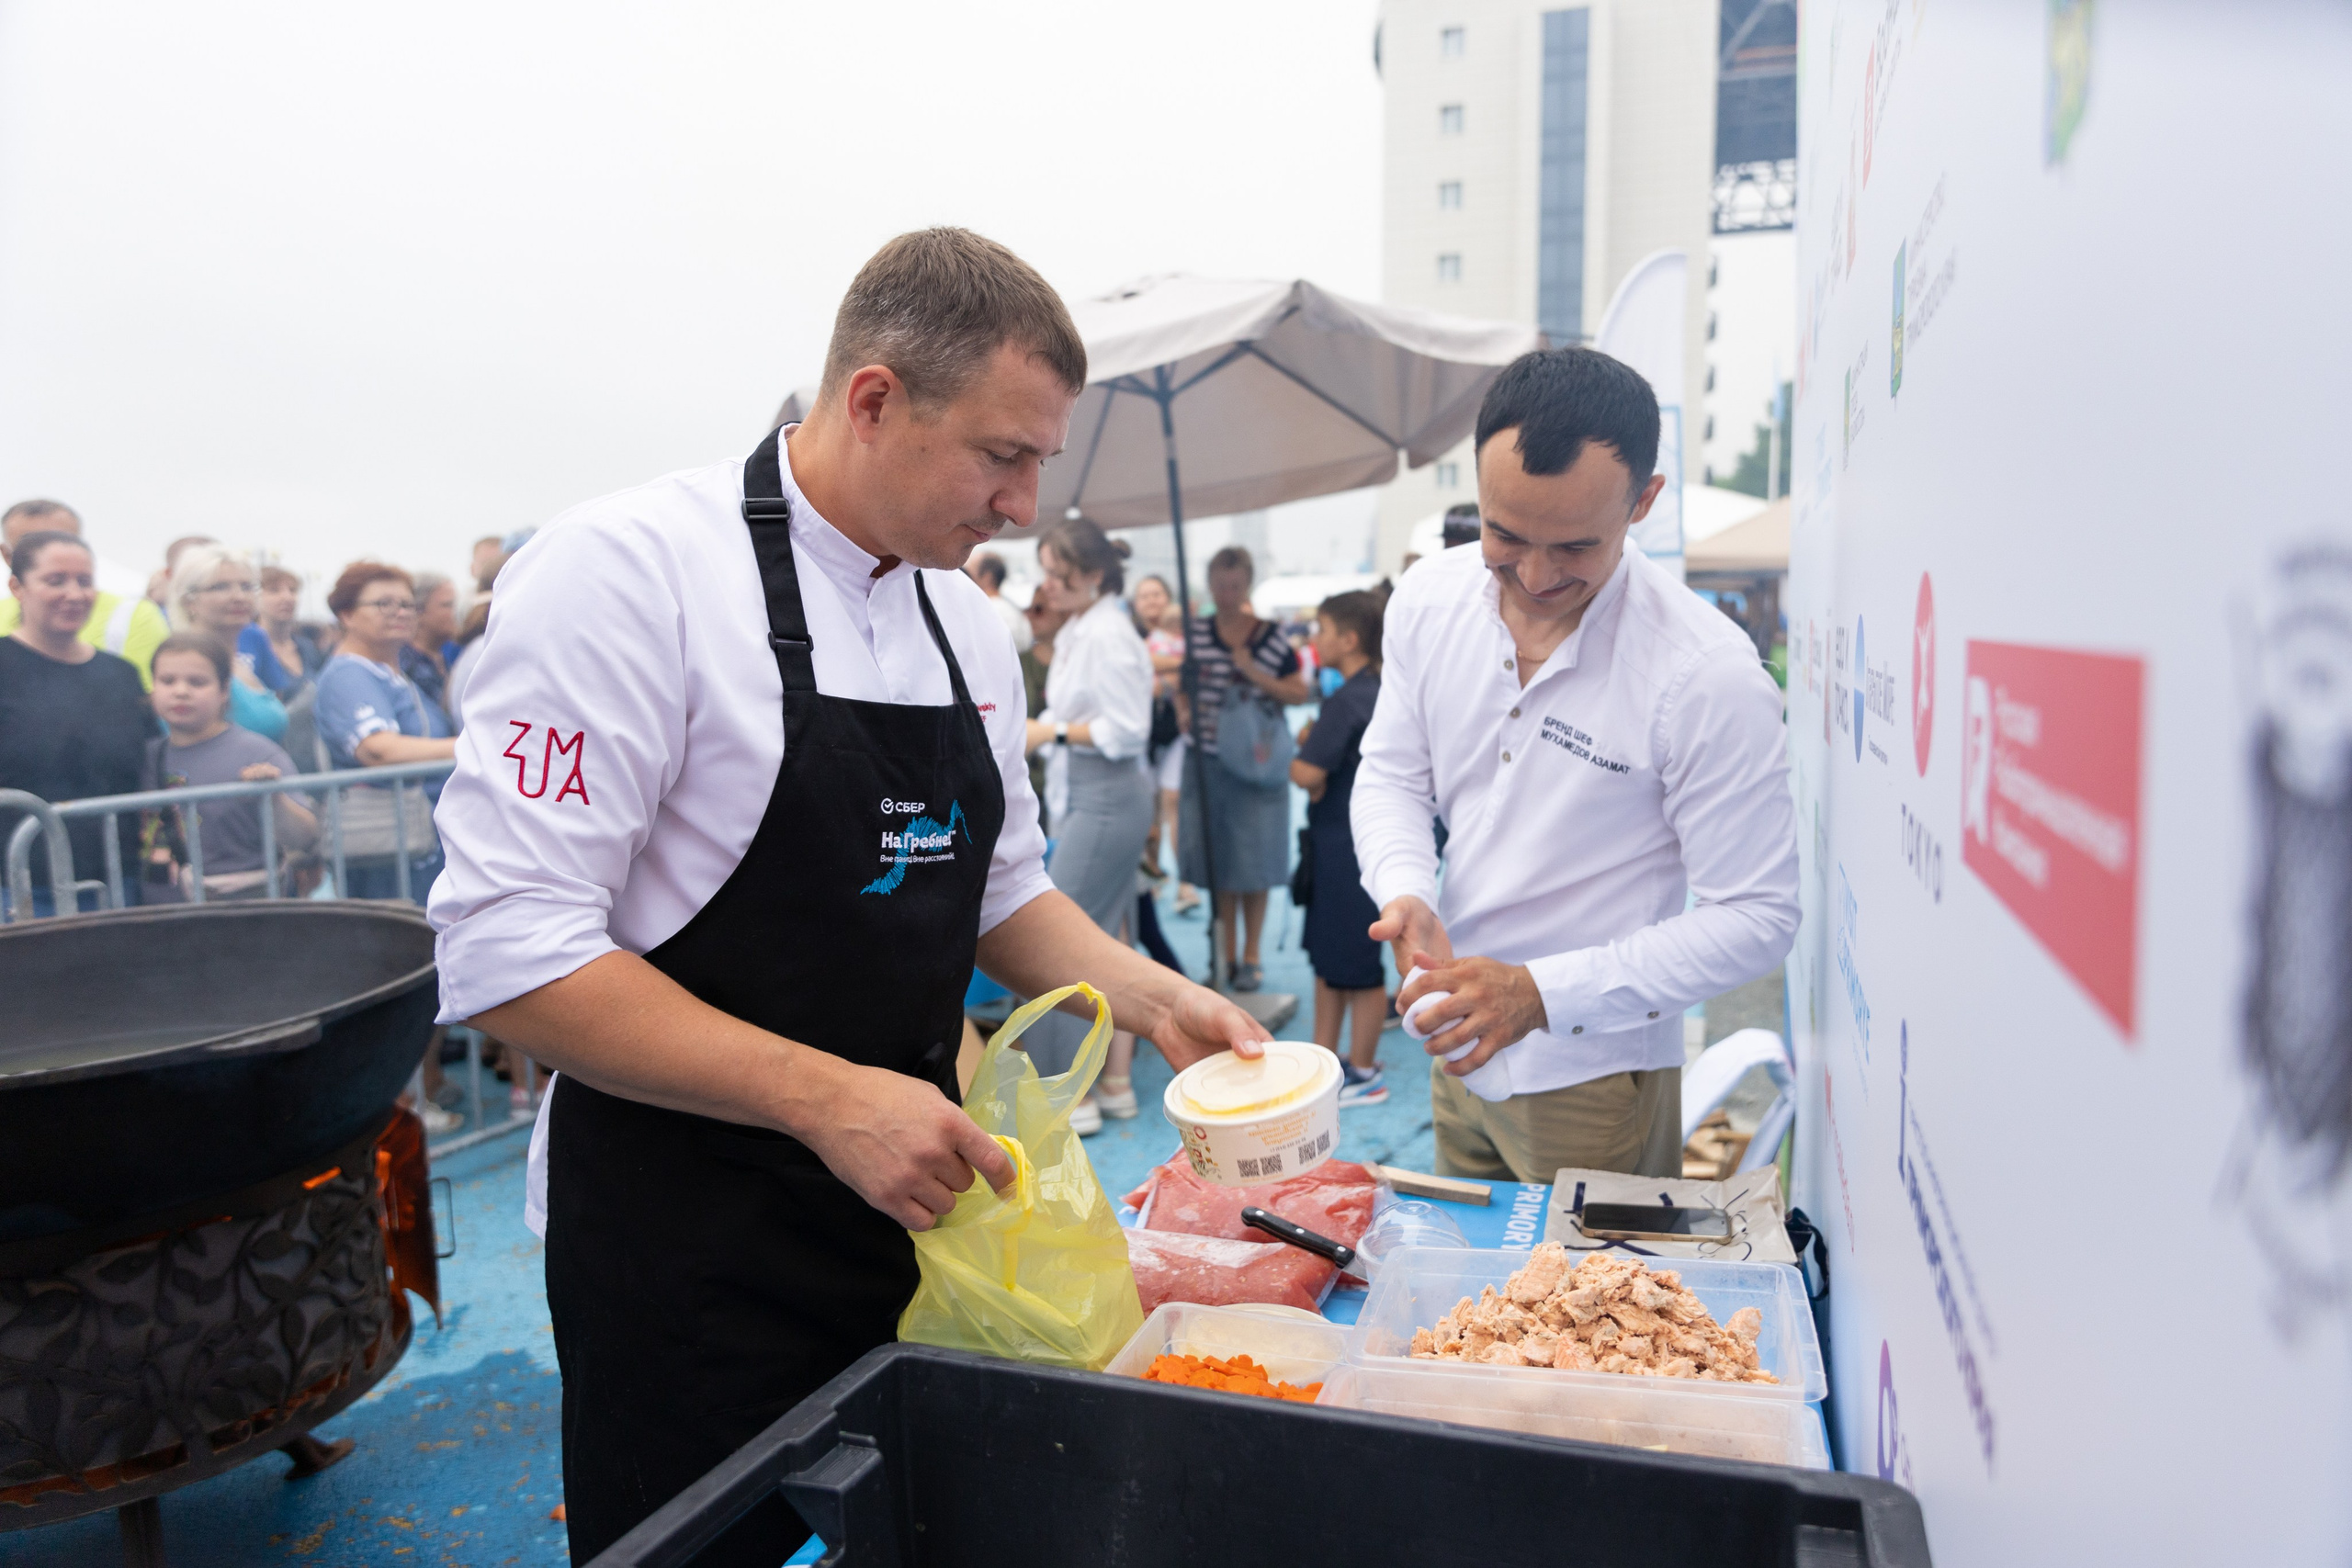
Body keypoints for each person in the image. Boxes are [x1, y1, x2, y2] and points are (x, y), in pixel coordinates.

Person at [424, 228, 1271, 1568]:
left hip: (916, 1213)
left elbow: (1003, 886)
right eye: (1004, 455)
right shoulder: (630, 573)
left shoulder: (968, 624)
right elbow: (507, 950)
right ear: (873, 399)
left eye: (1042, 461)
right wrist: (829, 1097)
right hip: (688, 1242)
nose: (1024, 508)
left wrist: (1150, 987)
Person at [1352, 346, 1800, 1181]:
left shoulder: (1705, 675)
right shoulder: (1427, 598)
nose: (1534, 574)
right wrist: (1404, 886)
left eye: (1574, 547)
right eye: (1504, 534)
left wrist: (1542, 992)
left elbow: (1758, 915)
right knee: (1474, 1300)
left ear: (1644, 503)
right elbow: (1390, 773)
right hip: (1454, 1042)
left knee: (1595, 1307)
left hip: (1596, 1076)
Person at [1021, 516, 1156, 1133]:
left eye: (1056, 572)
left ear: (1092, 575)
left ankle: (1075, 1094)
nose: (1046, 583)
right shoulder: (1085, 626)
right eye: (1045, 570)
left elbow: (1128, 731)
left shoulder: (1106, 633)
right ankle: (1111, 1083)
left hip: (1106, 797)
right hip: (1092, 796)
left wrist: (1048, 730)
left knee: (1056, 948)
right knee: (1101, 939)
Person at [1179, 545, 1311, 989]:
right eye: (1220, 584)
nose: (1227, 593)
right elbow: (1185, 683)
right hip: (1208, 759)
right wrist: (1182, 708)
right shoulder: (1195, 632)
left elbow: (1298, 692)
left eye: (1235, 585)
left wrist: (1252, 671)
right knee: (1219, 866)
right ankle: (1225, 955)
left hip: (1257, 764)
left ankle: (1250, 956)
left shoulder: (1271, 636)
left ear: (1247, 584)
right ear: (1211, 584)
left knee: (1256, 863)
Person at [0, 532, 153, 914]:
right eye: (56, 581)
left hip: (118, 882)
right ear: (17, 587)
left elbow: (148, 764)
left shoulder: (122, 674)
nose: (75, 593)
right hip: (18, 889)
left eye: (84, 581)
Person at [1292, 591, 1389, 1107]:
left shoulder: (1347, 699)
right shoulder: (1381, 690)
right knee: (1333, 961)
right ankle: (1325, 1060)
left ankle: (1365, 1071)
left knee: (1357, 964)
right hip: (1357, 842)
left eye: (1322, 628)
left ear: (1348, 640)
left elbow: (1307, 771)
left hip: (1346, 845)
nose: (1314, 639)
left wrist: (1303, 752)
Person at [313, 561, 457, 897]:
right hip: (386, 851)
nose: (399, 613)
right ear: (347, 615)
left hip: (421, 841)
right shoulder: (348, 674)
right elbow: (378, 749)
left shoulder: (389, 673)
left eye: (407, 604)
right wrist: (472, 747)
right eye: (383, 604)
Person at [141, 633, 318, 899]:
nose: (181, 691)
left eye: (197, 682)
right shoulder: (147, 756)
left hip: (248, 907)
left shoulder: (259, 753)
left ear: (224, 691)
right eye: (167, 681)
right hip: (167, 912)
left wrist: (275, 797)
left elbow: (304, 836)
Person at [0, 500, 172, 688]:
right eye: (32, 547)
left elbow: (148, 702)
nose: (73, 596)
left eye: (64, 542)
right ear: (7, 556)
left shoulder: (131, 615)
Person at [166, 545, 289, 742]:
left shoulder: (238, 660)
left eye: (246, 586)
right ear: (189, 601)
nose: (239, 597)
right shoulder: (183, 661)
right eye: (221, 587)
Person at [1131, 573, 1199, 916]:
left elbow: (1172, 680)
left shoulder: (1185, 637)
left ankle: (1186, 883)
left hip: (1175, 734)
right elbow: (1147, 673)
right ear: (1135, 603)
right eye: (1145, 595)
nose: (1152, 601)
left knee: (1174, 802)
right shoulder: (1131, 637)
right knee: (1149, 810)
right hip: (1141, 737)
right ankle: (1152, 878)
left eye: (1158, 594)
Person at [245, 565, 327, 696]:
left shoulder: (307, 648)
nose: (287, 597)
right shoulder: (248, 649)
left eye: (293, 590)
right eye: (274, 590)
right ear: (255, 598)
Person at [401, 571, 459, 719]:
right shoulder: (403, 664)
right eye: (447, 605)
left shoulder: (449, 655)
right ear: (418, 611)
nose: (456, 613)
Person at [966, 549, 1034, 653]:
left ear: (987, 577)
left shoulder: (987, 611)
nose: (965, 578)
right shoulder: (1009, 608)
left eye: (970, 573)